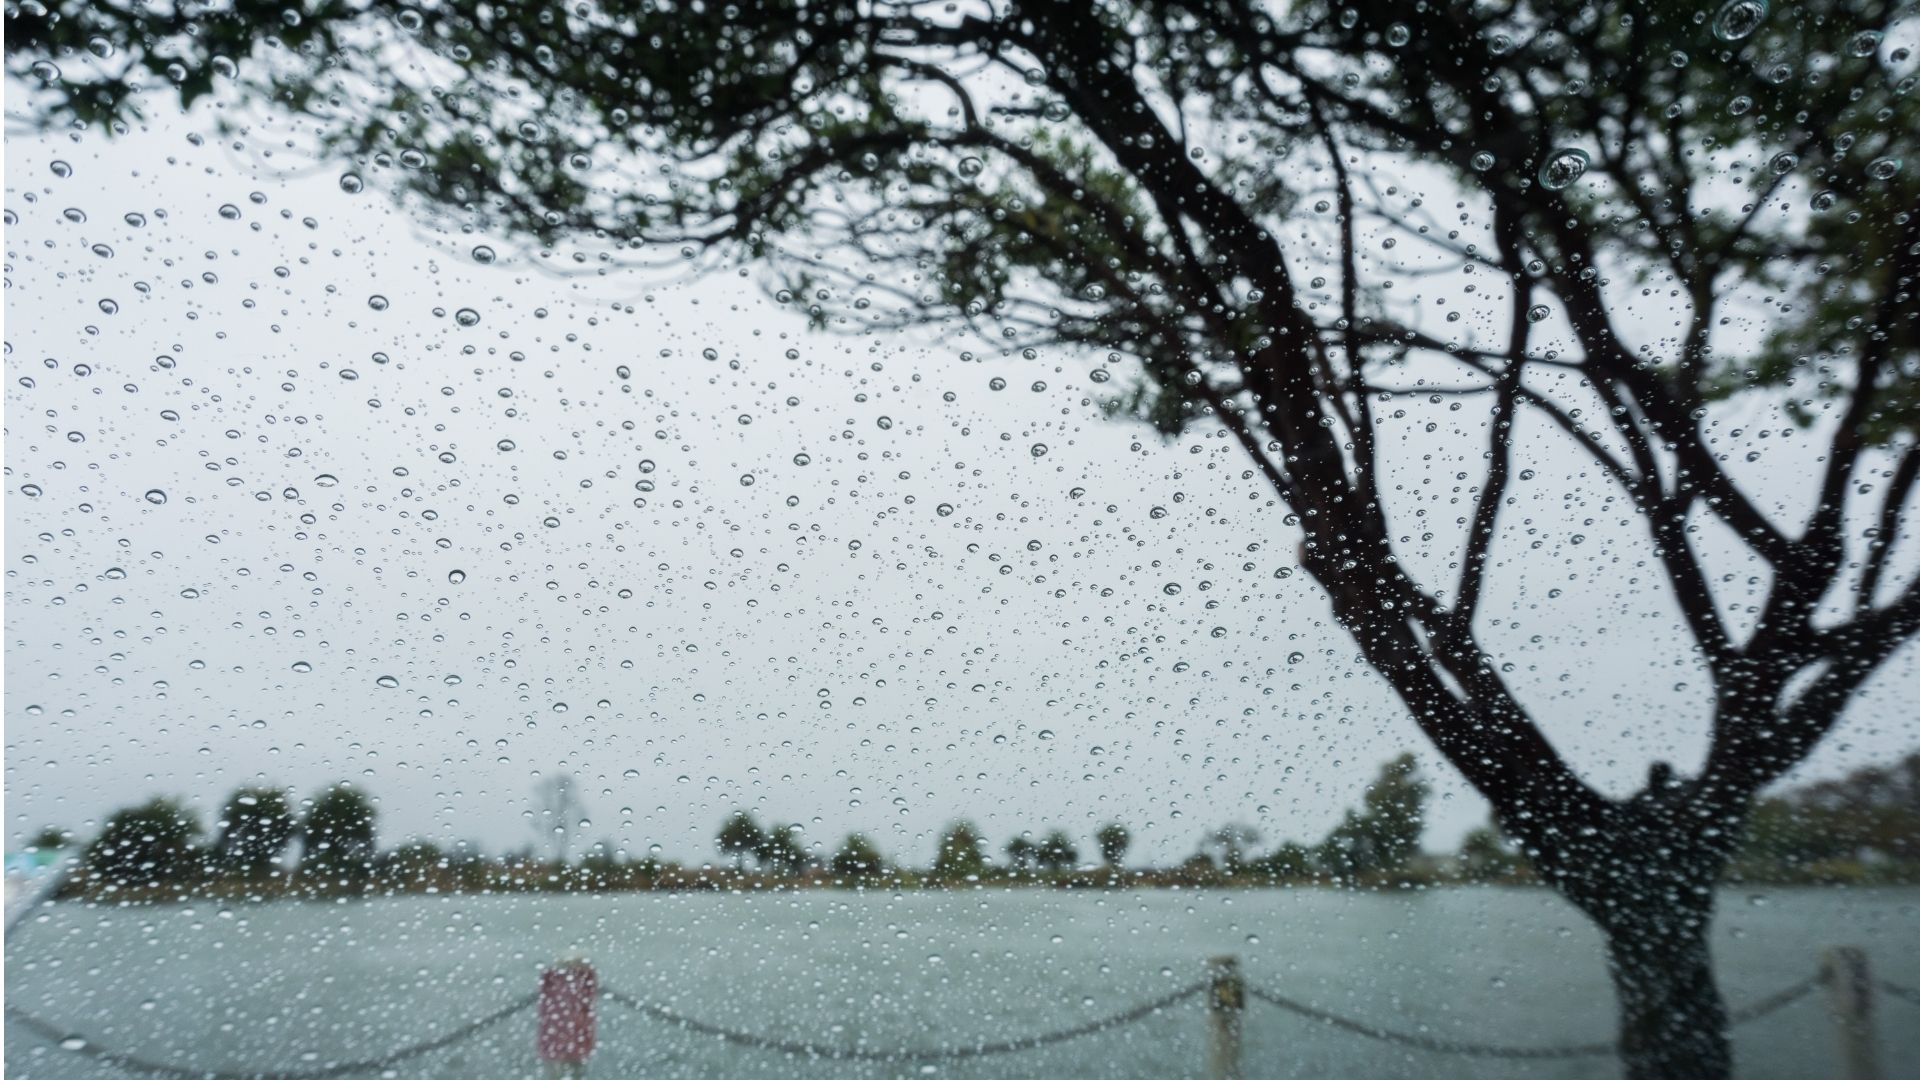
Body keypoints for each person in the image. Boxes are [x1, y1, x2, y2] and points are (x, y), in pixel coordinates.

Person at [536, 949, 597, 1079]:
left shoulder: (582, 982)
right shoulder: (553, 981)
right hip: (561, 1039)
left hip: (568, 1039)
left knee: (571, 1071)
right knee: (563, 1071)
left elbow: (590, 981)